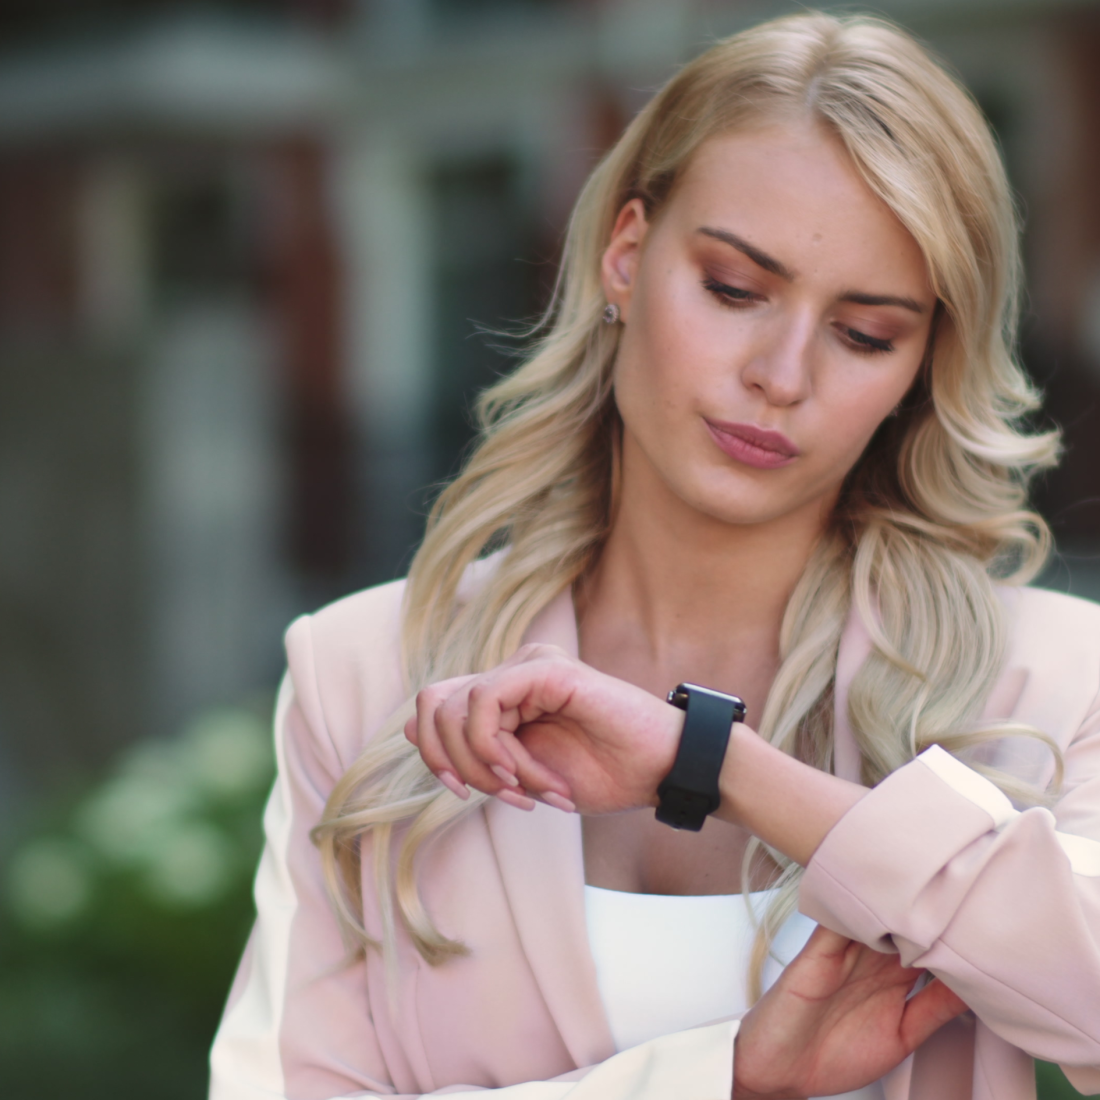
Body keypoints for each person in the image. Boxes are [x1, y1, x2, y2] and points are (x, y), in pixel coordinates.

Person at [209, 11, 1100, 1100]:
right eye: (732, 288)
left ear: (920, 365)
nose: (780, 372)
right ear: (624, 253)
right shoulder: (360, 669)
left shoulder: (1051, 682)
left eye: (863, 333)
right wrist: (722, 1077)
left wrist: (717, 767)